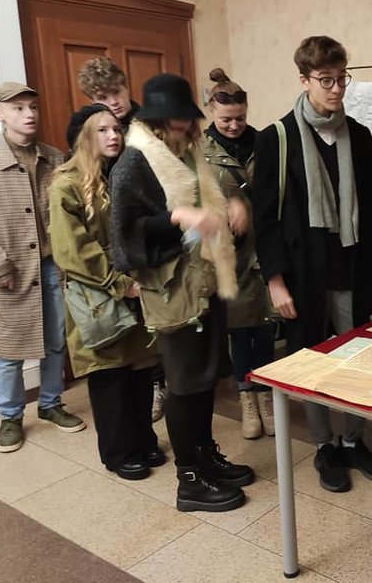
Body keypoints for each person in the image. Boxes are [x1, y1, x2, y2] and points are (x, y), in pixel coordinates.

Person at [253, 35, 372, 493]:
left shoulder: (360, 135)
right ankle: (323, 446)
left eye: (341, 79)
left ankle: (353, 440)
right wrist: (274, 280)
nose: (336, 89)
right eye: (326, 80)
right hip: (303, 270)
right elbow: (265, 218)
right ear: (304, 80)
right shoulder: (276, 138)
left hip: (354, 265)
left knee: (360, 357)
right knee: (310, 358)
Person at [109, 73, 254, 512]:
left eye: (189, 119)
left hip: (204, 280)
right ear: (157, 122)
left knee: (204, 381)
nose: (189, 127)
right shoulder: (134, 162)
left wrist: (230, 207)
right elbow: (124, 239)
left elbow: (206, 208)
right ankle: (189, 480)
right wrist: (177, 218)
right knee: (184, 385)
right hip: (172, 290)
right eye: (179, 121)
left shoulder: (188, 154)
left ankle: (205, 457)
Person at [49, 104, 165, 480]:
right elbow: (73, 250)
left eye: (116, 128)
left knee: (140, 371)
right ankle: (119, 452)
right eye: (102, 130)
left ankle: (144, 440)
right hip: (97, 297)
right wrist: (119, 282)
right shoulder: (65, 185)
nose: (114, 135)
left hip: (134, 289)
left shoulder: (119, 176)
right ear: (83, 137)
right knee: (110, 375)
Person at [0, 82, 86, 453]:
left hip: (53, 266)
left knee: (55, 341)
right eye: (18, 108)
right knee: (10, 350)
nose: (29, 114)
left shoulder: (53, 157)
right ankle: (10, 416)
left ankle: (51, 403)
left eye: (33, 106)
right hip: (9, 271)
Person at [77, 56, 167, 422]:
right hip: (116, 237)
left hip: (154, 229)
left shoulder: (150, 123)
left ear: (127, 86)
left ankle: (163, 382)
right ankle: (150, 384)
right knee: (134, 318)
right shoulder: (93, 129)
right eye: (102, 96)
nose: (112, 100)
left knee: (158, 312)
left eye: (116, 91)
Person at [202, 68, 276, 440]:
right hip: (227, 255)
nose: (234, 126)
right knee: (239, 330)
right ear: (210, 111)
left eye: (240, 118)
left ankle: (266, 395)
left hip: (265, 249)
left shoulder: (265, 144)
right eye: (226, 119)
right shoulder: (199, 152)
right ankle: (247, 395)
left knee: (265, 327)